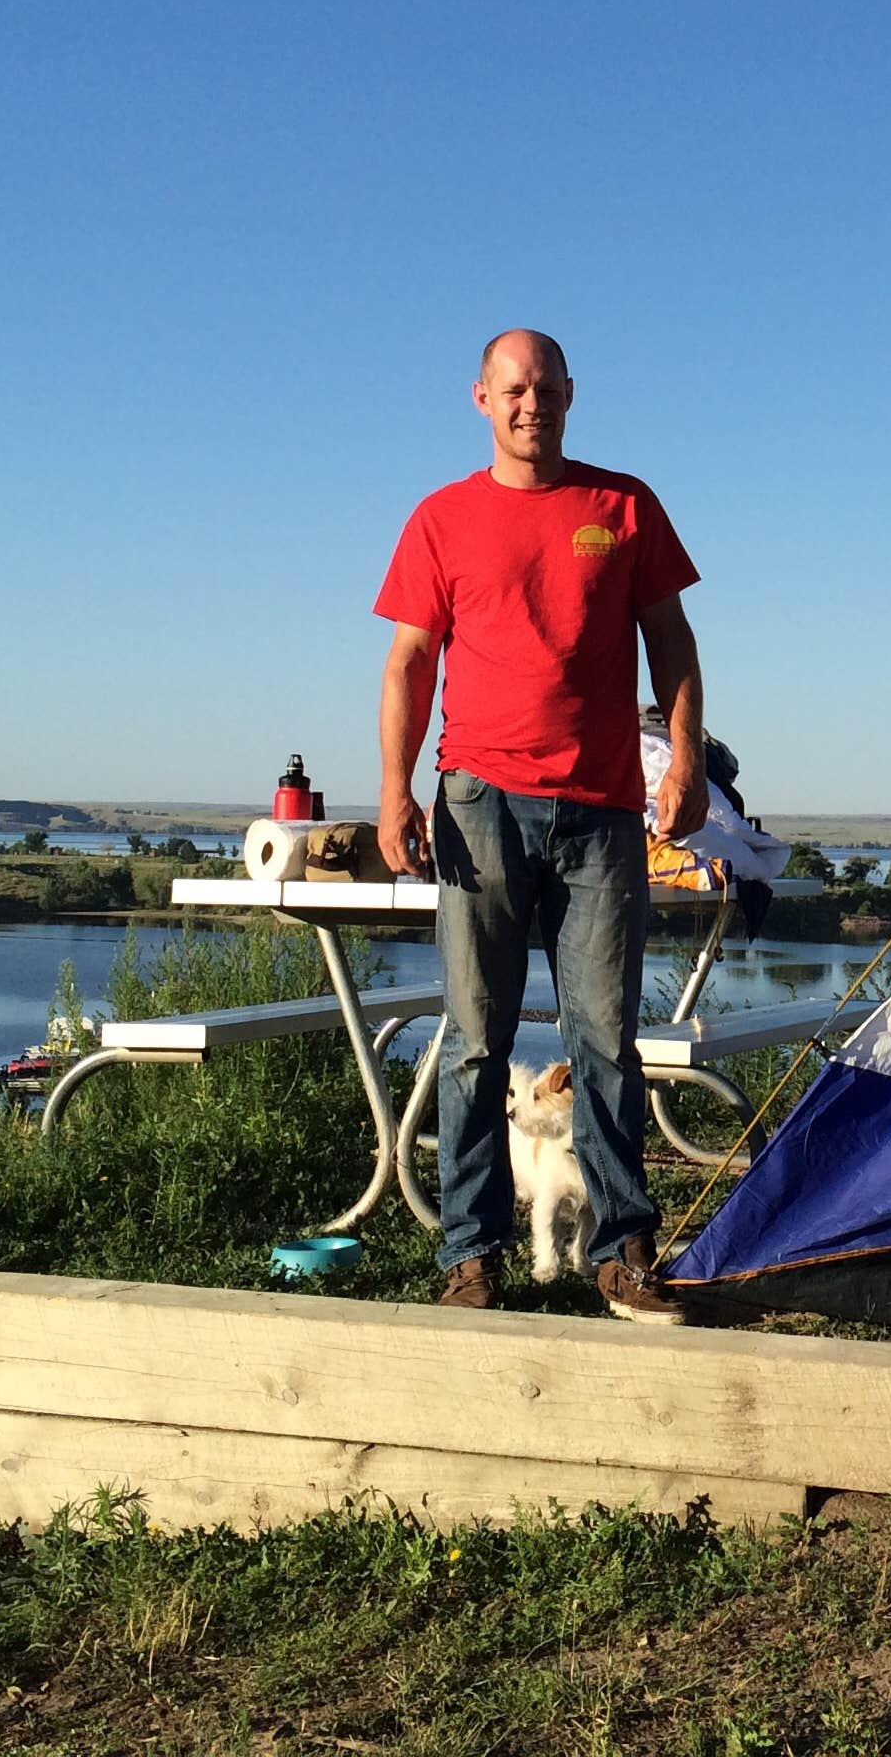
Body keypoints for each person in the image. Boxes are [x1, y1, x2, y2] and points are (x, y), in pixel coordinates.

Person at [375, 328, 705, 1321]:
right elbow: (407, 666)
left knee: (605, 1039)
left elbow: (673, 644)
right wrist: (394, 793)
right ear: (482, 397)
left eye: (548, 389)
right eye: (514, 389)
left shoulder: (624, 506)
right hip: (479, 805)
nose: (533, 404)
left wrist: (685, 754)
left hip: (602, 813)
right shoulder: (442, 518)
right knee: (477, 1041)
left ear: (571, 395)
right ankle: (470, 1259)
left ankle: (623, 1253)